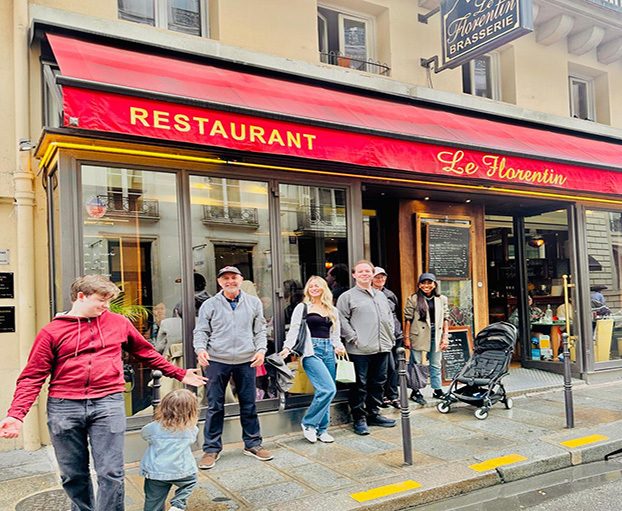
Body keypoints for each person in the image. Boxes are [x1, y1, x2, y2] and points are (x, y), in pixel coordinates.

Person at [0, 274, 207, 511]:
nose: (107, 306)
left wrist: (178, 373)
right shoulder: (51, 332)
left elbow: (146, 352)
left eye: (109, 300)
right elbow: (32, 376)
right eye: (102, 299)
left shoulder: (118, 323)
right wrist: (16, 415)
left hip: (107, 402)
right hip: (64, 406)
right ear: (81, 296)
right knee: (73, 474)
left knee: (111, 472)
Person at [194, 265, 273, 470]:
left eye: (233, 277)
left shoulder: (254, 303)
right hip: (216, 360)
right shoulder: (210, 304)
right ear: (219, 282)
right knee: (214, 405)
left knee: (249, 404)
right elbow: (201, 330)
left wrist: (261, 350)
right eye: (225, 278)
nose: (230, 281)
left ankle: (253, 443)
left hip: (246, 359)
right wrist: (200, 349)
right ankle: (211, 449)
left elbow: (260, 331)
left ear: (241, 279)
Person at [280, 276, 346, 443]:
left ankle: (322, 430)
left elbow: (335, 335)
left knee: (324, 391)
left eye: (317, 286)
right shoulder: (302, 308)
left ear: (324, 288)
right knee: (328, 389)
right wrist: (287, 348)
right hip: (311, 351)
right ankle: (309, 423)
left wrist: (338, 346)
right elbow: (294, 330)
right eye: (311, 286)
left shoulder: (332, 309)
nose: (314, 289)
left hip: (328, 351)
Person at [337, 260, 396, 435]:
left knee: (378, 382)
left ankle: (374, 414)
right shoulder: (347, 297)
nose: (365, 274)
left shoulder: (381, 295)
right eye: (361, 271)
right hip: (359, 349)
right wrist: (353, 337)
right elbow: (341, 320)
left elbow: (389, 317)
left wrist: (390, 335)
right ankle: (359, 418)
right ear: (354, 275)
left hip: (382, 347)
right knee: (359, 385)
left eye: (368, 271)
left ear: (372, 274)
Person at [141, 389, 199, 511]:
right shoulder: (191, 429)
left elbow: (144, 435)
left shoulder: (153, 427)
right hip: (182, 470)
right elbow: (193, 439)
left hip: (156, 471)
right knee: (190, 483)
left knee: (153, 500)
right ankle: (178, 504)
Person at [404, 273, 450, 406]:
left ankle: (437, 389)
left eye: (429, 283)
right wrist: (406, 338)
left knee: (436, 363)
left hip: (436, 334)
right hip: (418, 335)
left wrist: (445, 337)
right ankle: (416, 391)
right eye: (423, 283)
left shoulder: (442, 299)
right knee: (417, 364)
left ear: (435, 284)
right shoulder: (413, 299)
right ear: (419, 285)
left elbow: (446, 318)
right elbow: (408, 319)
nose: (426, 286)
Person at [372, 267, 403, 409]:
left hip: (395, 334)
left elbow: (394, 314)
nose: (380, 280)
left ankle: (393, 396)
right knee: (385, 367)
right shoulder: (369, 294)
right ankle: (383, 395)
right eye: (377, 277)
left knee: (395, 367)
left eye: (382, 277)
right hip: (379, 336)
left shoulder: (389, 294)